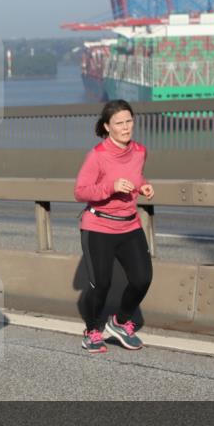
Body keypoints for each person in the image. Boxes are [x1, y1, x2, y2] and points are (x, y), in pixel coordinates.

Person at [74, 99, 154, 353]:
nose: (126, 127)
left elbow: (135, 176)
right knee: (102, 283)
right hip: (98, 226)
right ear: (107, 127)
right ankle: (92, 331)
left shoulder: (140, 151)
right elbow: (80, 191)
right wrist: (111, 187)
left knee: (142, 279)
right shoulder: (97, 155)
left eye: (129, 121)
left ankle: (119, 322)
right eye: (119, 123)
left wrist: (143, 186)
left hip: (130, 225)